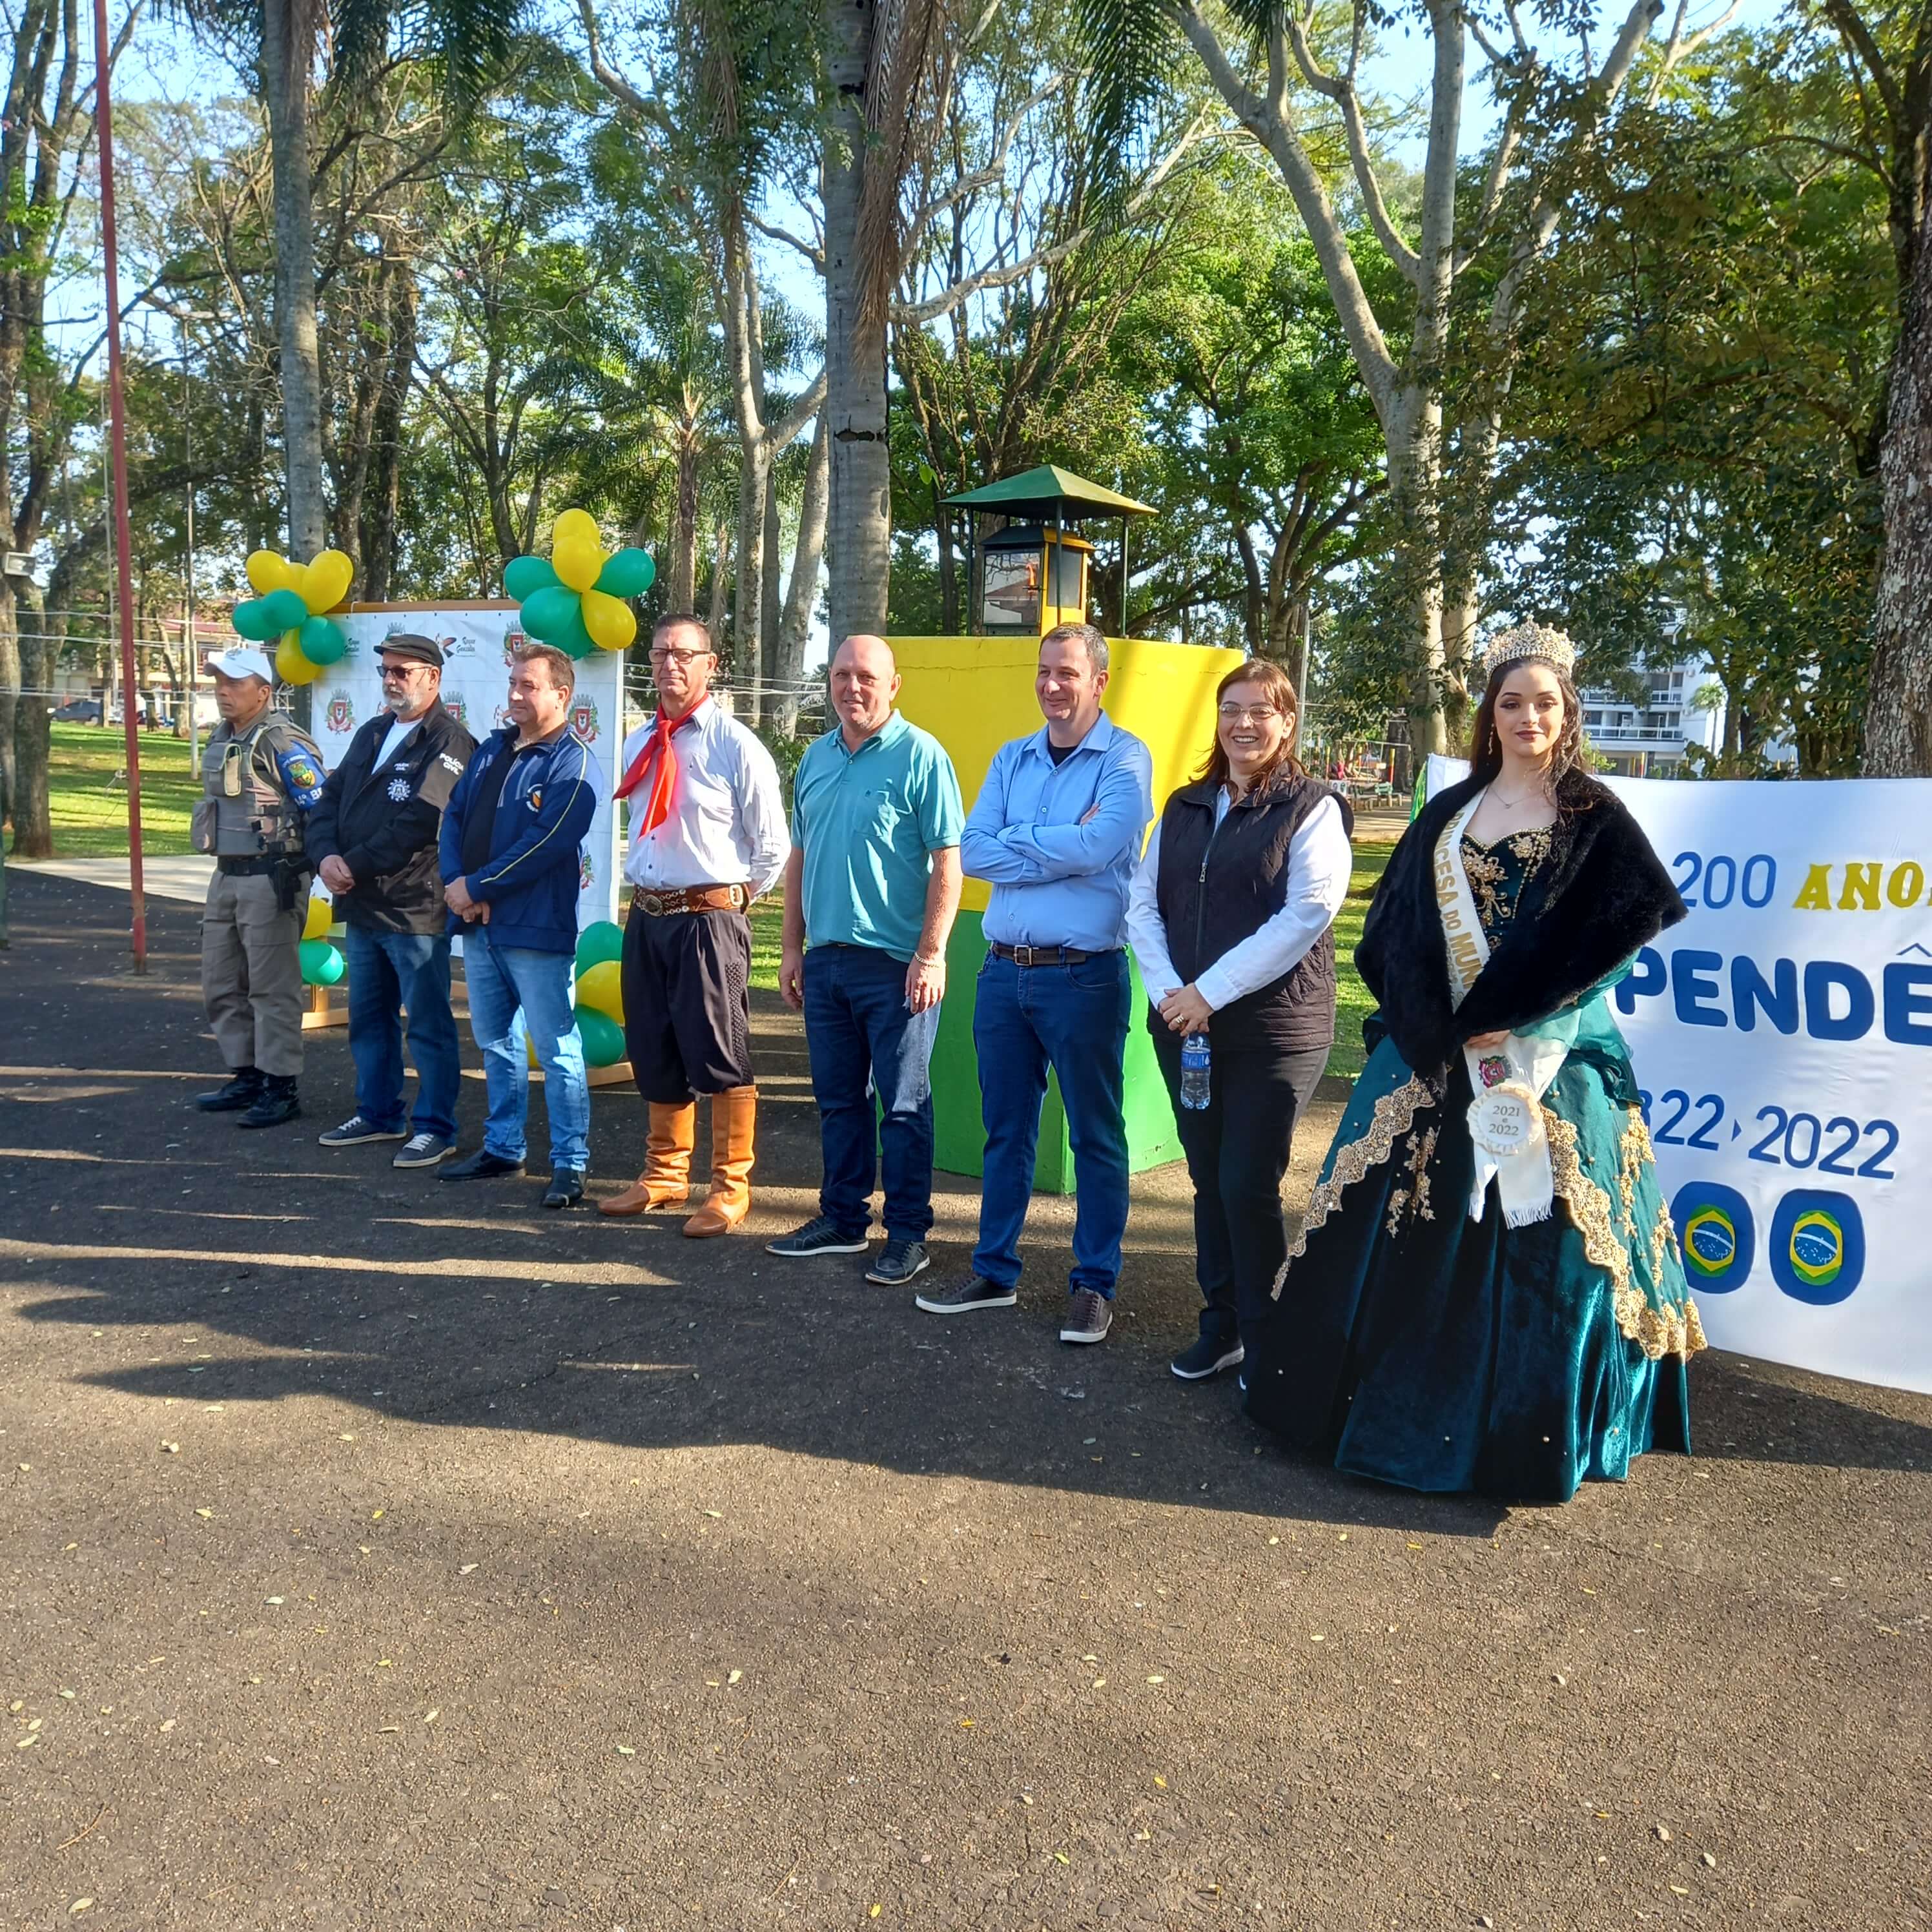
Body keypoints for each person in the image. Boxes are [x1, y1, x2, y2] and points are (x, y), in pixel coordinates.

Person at [1244, 623, 1705, 1501]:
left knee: (1554, 1251)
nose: (1526, 717)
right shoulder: (1449, 812)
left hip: (1548, 1052)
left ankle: (1525, 1430)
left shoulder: (1594, 817)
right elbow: (1390, 931)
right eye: (1509, 702)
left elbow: (1612, 938)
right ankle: (1371, 1406)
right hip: (1439, 1047)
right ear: (1487, 716)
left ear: (1566, 714)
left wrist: (1515, 1017)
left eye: (1544, 703)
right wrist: (1433, 1020)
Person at [916, 621, 1153, 1346]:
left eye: (1068, 673)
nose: (1052, 685)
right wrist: (1052, 850)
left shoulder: (1125, 758)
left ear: (1098, 681)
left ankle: (1092, 1286)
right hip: (1002, 976)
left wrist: (1023, 844)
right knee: (1007, 1131)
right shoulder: (1012, 757)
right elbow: (974, 849)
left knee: (1094, 1135)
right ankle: (994, 1270)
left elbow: (1098, 844)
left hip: (1082, 978)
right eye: (1044, 671)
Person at [1125, 657, 1353, 1382]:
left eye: (1262, 710)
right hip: (1185, 1027)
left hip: (1273, 1033)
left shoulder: (1313, 807)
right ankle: (1221, 1323)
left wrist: (1209, 992)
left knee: (1247, 1182)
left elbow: (1307, 912)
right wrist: (1171, 994)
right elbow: (1141, 904)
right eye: (1232, 708)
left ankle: (1266, 1337)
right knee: (1205, 1178)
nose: (1244, 723)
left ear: (1287, 722)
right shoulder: (1185, 807)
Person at [768, 634, 965, 1285]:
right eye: (841, 674)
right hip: (826, 963)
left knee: (904, 1104)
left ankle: (908, 1233)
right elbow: (799, 857)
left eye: (865, 676)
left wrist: (931, 954)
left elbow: (947, 860)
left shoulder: (922, 756)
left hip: (895, 966)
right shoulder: (816, 759)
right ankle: (842, 1219)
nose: (852, 686)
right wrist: (792, 947)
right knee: (838, 1099)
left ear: (893, 685)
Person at [601, 613, 789, 1235]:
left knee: (719, 1050)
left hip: (708, 920)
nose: (669, 665)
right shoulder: (638, 741)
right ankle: (663, 1175)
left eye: (684, 654)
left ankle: (731, 1186)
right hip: (648, 915)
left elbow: (773, 847)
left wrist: (731, 903)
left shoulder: (735, 745)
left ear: (712, 665)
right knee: (652, 1046)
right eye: (659, 655)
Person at [437, 642, 602, 1209]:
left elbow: (550, 841)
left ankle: (570, 1163)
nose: (514, 695)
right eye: (513, 684)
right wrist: (459, 886)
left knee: (555, 1048)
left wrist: (477, 887)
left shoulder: (572, 760)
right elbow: (454, 817)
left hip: (534, 930)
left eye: (528, 686)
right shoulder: (492, 749)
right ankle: (503, 1148)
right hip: (480, 927)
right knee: (496, 1043)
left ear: (562, 694)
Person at [305, 633, 477, 1169]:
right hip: (362, 905)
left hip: (414, 908)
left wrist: (350, 865)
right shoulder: (373, 730)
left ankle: (435, 1127)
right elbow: (328, 801)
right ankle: (378, 1112)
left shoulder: (450, 741)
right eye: (386, 671)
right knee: (368, 1017)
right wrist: (325, 856)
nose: (391, 680)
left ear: (433, 677)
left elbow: (420, 823)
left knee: (426, 1022)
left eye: (403, 671)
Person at [190, 646, 327, 1129]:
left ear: (264, 692)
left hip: (271, 877)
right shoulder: (223, 736)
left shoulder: (282, 742)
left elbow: (320, 808)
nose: (223, 691)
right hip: (226, 874)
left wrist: (309, 868)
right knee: (221, 983)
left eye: (235, 683)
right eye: (218, 683)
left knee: (272, 989)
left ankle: (280, 1085)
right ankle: (246, 1074)